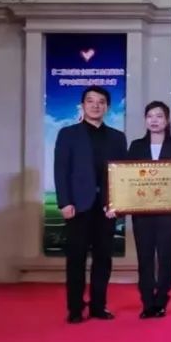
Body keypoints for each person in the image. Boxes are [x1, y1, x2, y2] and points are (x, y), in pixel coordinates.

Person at [53, 86, 127, 324]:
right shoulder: (68, 134)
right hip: (78, 206)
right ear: (83, 105)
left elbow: (121, 175)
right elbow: (61, 170)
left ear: (107, 107)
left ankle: (98, 306)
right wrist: (64, 202)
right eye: (91, 101)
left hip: (106, 207)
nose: (96, 105)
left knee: (103, 259)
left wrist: (117, 203)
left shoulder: (117, 137)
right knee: (76, 258)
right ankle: (75, 308)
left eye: (101, 102)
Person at [126, 101, 171, 319]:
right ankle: (147, 301)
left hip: (168, 213)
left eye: (159, 116)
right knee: (144, 258)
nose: (154, 120)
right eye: (150, 116)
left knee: (166, 257)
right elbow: (126, 178)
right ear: (145, 120)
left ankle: (161, 299)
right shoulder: (136, 146)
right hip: (142, 213)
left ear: (167, 120)